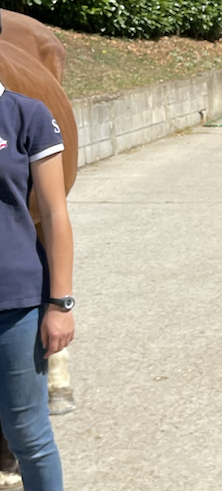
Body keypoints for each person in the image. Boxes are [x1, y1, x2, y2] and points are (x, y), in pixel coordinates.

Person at [0, 74, 74, 491]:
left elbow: (55, 212)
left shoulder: (27, 115)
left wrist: (60, 304)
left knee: (28, 434)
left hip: (14, 302)